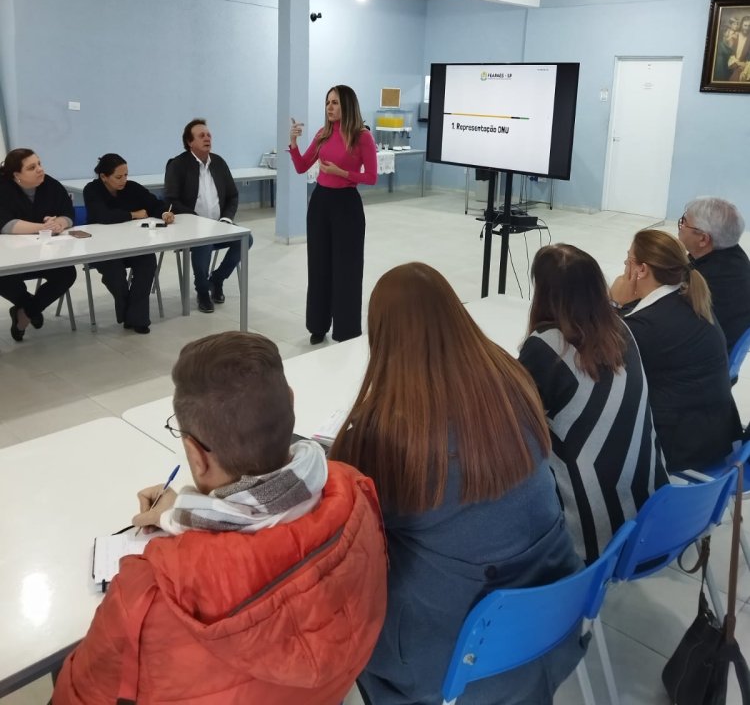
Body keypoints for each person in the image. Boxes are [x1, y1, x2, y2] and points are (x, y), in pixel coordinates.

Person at [53, 331, 388, 705]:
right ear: (291, 403)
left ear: (196, 455)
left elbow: (76, 695)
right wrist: (177, 516)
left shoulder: (149, 594)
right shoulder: (356, 494)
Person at [330, 263, 584, 705]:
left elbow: (347, 534)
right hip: (554, 618)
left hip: (463, 661)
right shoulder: (512, 381)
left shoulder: (381, 436)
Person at [518, 244, 668, 565]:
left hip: (595, 540)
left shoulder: (545, 348)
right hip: (654, 522)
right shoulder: (622, 329)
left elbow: (511, 428)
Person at [611, 229, 742, 471]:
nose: (625, 268)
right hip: (718, 436)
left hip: (681, 450)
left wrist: (614, 304)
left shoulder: (644, 327)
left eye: (629, 260)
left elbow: (597, 356)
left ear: (641, 270)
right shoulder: (694, 301)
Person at [289, 85, 377, 344]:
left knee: (346, 269)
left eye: (335, 102)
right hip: (320, 203)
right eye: (327, 102)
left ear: (347, 105)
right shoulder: (323, 134)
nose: (329, 107)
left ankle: (346, 330)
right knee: (318, 266)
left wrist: (342, 173)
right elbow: (301, 166)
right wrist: (293, 142)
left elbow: (371, 177)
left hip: (346, 205)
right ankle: (317, 325)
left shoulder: (362, 137)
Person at [164, 118, 250, 313]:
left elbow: (233, 195)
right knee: (205, 242)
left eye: (209, 135)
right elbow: (170, 199)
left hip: (219, 224)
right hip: (191, 228)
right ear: (189, 142)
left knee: (246, 239)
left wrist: (227, 218)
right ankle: (202, 291)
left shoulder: (219, 162)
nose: (207, 138)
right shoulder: (178, 165)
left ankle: (216, 280)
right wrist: (197, 220)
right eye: (201, 135)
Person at [83, 153, 174, 334]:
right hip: (102, 247)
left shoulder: (131, 188)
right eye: (118, 177)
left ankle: (137, 318)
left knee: (148, 262)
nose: (124, 180)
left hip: (132, 244)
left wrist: (164, 213)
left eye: (126, 175)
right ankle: (132, 313)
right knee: (115, 274)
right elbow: (103, 216)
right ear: (103, 177)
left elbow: (154, 204)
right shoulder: (91, 190)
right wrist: (133, 214)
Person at [0, 148, 76, 342]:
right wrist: (43, 227)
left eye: (39, 164)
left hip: (45, 253)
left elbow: (68, 213)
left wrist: (59, 223)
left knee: (67, 273)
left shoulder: (50, 184)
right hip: (10, 256)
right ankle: (30, 307)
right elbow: (7, 225)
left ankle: (25, 314)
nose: (40, 170)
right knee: (3, 280)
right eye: (32, 167)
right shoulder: (3, 188)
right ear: (17, 174)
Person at [677, 197, 750, 355]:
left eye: (684, 222)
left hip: (700, 364)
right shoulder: (731, 253)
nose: (680, 227)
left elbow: (671, 324)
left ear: (703, 239)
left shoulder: (709, 280)